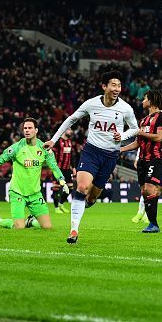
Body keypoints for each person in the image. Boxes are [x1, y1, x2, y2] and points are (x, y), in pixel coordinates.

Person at [43, 70, 138, 244]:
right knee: (81, 187)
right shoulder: (91, 104)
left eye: (119, 85)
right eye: (113, 85)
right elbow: (71, 119)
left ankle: (84, 205)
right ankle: (74, 230)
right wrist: (54, 140)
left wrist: (122, 136)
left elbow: (135, 128)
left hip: (111, 155)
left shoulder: (125, 108)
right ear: (104, 86)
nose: (117, 88)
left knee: (92, 197)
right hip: (91, 151)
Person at [0, 118, 69, 230]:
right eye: (25, 128)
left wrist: (62, 180)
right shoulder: (16, 148)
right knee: (19, 227)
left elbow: (54, 167)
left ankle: (30, 222)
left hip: (35, 194)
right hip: (18, 192)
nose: (27, 130)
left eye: (30, 128)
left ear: (36, 130)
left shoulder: (44, 148)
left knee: (47, 227)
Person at [121, 90, 162, 232]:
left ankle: (154, 224)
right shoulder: (142, 121)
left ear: (151, 101)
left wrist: (140, 132)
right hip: (142, 160)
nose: (142, 101)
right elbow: (137, 143)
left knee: (149, 188)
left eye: (145, 98)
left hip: (155, 158)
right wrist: (121, 150)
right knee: (144, 191)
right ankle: (151, 224)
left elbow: (159, 137)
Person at [52, 129, 75, 214]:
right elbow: (52, 154)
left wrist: (74, 167)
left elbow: (71, 155)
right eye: (69, 129)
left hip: (67, 169)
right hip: (58, 169)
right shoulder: (58, 141)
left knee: (70, 188)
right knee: (56, 188)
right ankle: (56, 207)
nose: (71, 131)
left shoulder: (69, 142)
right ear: (64, 130)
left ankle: (61, 203)